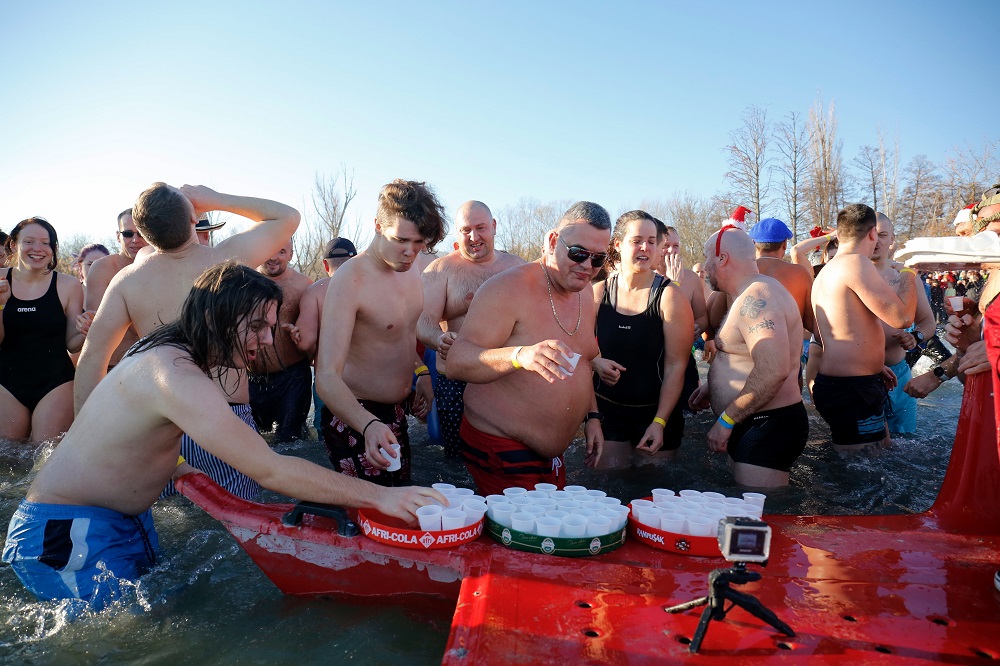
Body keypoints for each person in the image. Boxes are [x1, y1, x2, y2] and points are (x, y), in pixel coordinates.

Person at [2, 262, 444, 610]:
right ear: (216, 315)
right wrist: (381, 497)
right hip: (66, 531)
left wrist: (174, 465)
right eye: (256, 326)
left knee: (160, 614)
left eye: (270, 327)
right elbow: (269, 469)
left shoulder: (167, 354)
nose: (267, 339)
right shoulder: (176, 374)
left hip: (116, 521)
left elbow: (120, 432)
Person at [74, 183, 300, 500]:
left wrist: (87, 437)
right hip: (222, 416)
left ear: (140, 231)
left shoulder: (128, 281)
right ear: (194, 219)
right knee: (234, 525)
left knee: (171, 529)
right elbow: (287, 217)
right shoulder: (225, 263)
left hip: (156, 427)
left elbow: (92, 360)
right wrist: (214, 199)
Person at [446, 202, 610, 495]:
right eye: (578, 253)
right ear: (552, 241)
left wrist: (592, 417)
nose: (587, 266)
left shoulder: (585, 291)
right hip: (502, 446)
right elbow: (457, 362)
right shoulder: (508, 289)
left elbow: (582, 359)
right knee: (524, 539)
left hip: (551, 456)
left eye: (598, 259)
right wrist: (519, 355)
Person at [315, 180, 446, 485]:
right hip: (355, 416)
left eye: (419, 242)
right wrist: (368, 424)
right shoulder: (351, 281)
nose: (410, 251)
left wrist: (423, 373)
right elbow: (326, 377)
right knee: (372, 518)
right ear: (377, 225)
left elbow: (397, 334)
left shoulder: (416, 267)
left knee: (401, 508)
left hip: (398, 413)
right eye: (401, 240)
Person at [687, 226, 807, 487]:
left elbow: (774, 370)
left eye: (707, 257)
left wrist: (726, 420)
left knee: (760, 517)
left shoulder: (757, 298)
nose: (705, 266)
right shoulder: (749, 294)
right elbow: (752, 359)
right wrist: (713, 387)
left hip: (767, 425)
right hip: (754, 419)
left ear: (722, 258)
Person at [416, 201, 524, 457]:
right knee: (459, 461)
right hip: (457, 380)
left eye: (480, 228)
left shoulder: (518, 268)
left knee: (508, 454)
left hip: (507, 376)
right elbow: (422, 321)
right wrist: (439, 338)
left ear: (494, 227)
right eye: (466, 230)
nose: (474, 237)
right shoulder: (440, 270)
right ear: (457, 233)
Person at [810, 204, 917, 451]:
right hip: (852, 388)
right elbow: (902, 318)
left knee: (881, 452)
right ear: (870, 234)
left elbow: (830, 332)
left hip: (848, 384)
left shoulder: (828, 271)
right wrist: (909, 270)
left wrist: (873, 364)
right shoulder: (856, 263)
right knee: (863, 473)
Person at [591, 211, 694, 468]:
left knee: (651, 489)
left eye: (651, 240)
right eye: (636, 240)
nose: (645, 247)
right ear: (618, 244)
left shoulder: (670, 297)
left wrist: (659, 422)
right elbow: (580, 351)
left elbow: (675, 366)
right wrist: (595, 362)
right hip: (608, 411)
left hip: (656, 412)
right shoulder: (597, 292)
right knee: (605, 486)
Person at [0, 218, 85, 443]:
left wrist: (86, 330)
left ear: (53, 249)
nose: (38, 249)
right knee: (7, 458)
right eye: (29, 241)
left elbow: (72, 343)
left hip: (56, 382)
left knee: (45, 456)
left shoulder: (69, 285)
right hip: (6, 381)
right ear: (14, 245)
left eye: (45, 243)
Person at [870, 213, 935, 436]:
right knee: (865, 452)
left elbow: (927, 321)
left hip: (898, 374)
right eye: (871, 234)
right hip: (860, 375)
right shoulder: (846, 274)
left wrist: (915, 337)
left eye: (882, 235)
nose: (876, 240)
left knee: (906, 446)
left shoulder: (905, 277)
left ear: (892, 240)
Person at [248, 238, 314, 441]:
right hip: (251, 377)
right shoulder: (243, 282)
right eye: (269, 250)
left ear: (291, 255)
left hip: (292, 377)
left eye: (281, 252)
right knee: (251, 441)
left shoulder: (304, 285)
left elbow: (317, 333)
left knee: (290, 441)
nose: (273, 257)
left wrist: (302, 333)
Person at [290, 237, 357, 433]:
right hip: (368, 383)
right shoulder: (373, 290)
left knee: (329, 445)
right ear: (356, 260)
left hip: (329, 380)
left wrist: (309, 352)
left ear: (325, 264)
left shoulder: (315, 292)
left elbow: (306, 342)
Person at [76, 209, 149, 370]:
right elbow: (99, 323)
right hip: (113, 366)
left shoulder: (163, 265)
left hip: (154, 364)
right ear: (118, 236)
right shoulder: (102, 268)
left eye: (141, 233)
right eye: (128, 234)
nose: (135, 240)